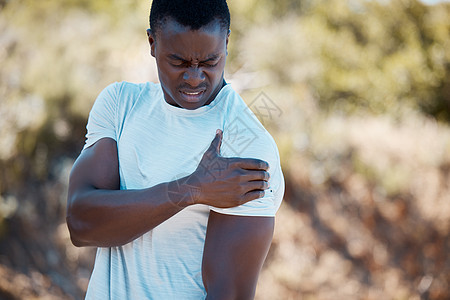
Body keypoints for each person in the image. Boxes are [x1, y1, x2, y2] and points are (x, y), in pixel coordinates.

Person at [66, 0, 284, 299]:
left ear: (227, 43)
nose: (194, 78)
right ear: (153, 43)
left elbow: (228, 293)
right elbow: (81, 224)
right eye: (179, 62)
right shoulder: (120, 104)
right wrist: (190, 190)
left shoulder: (247, 146)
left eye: (209, 62)